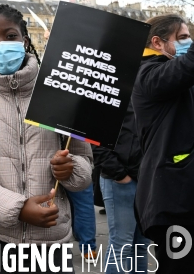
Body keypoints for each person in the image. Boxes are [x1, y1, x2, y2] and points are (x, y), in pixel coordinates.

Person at [0, 4, 93, 273]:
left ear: (24, 40)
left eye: (10, 36)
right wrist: (18, 208)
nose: (1, 44)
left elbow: (84, 165)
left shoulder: (59, 93)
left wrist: (71, 170)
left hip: (51, 245)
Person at [132, 14, 194, 271]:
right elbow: (184, 69)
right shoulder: (147, 74)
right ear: (157, 42)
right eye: (182, 38)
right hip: (171, 202)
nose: (188, 42)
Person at [93, 101, 149, 273]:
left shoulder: (150, 90)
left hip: (146, 180)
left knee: (141, 245)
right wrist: (118, 174)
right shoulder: (113, 93)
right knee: (121, 245)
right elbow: (95, 136)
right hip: (120, 180)